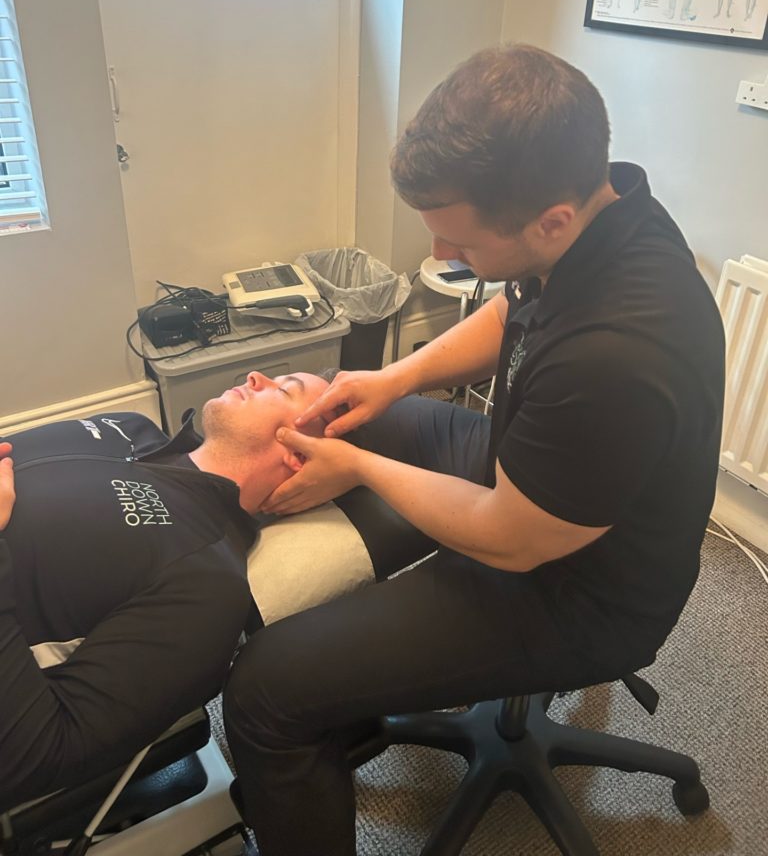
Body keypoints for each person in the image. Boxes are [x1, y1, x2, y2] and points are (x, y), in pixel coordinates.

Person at [222, 44, 726, 856]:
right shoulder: (598, 210)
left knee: (266, 687)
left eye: (460, 246)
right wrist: (392, 381)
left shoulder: (619, 353)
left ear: (551, 220)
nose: (440, 258)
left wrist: (359, 469)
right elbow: (512, 309)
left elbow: (509, 538)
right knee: (336, 406)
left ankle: (316, 704)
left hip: (578, 587)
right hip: (525, 470)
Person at [0, 370, 336, 810]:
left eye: (286, 389)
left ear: (300, 457)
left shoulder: (207, 582)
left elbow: (34, 756)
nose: (256, 376)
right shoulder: (130, 426)